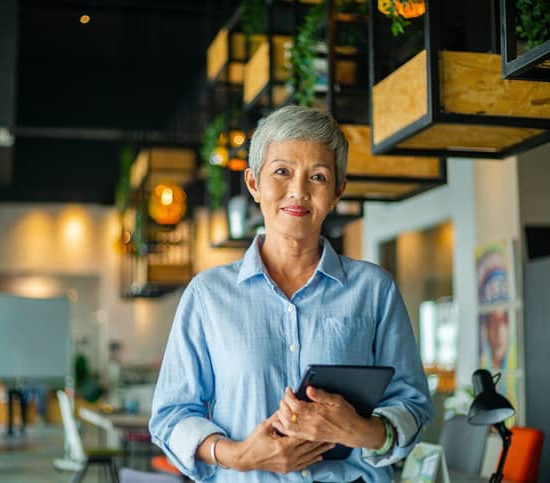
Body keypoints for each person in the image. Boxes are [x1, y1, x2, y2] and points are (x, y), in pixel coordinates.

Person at [149, 105, 432, 482]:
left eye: (317, 176)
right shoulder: (207, 295)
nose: (298, 192)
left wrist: (363, 431)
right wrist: (238, 454)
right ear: (253, 184)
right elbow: (171, 416)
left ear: (337, 191)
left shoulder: (374, 290)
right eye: (282, 172)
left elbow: (411, 403)